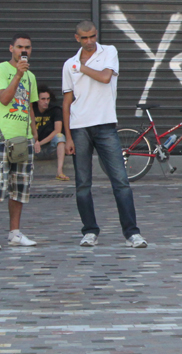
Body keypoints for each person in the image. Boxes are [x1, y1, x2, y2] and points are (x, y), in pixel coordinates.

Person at [62, 20, 146, 248]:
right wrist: (67, 136)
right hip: (79, 127)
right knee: (82, 184)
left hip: (106, 125)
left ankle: (132, 234)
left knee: (120, 181)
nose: (89, 41)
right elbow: (67, 102)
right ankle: (89, 231)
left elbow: (105, 77)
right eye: (84, 37)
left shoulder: (109, 51)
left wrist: (82, 67)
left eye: (92, 36)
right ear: (76, 38)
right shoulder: (68, 64)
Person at [0, 32, 39, 248]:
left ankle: (14, 232)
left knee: (19, 187)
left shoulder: (31, 77)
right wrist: (17, 75)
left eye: (27, 47)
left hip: (23, 140)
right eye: (20, 47)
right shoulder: (2, 70)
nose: (24, 51)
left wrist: (35, 137)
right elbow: (4, 99)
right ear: (11, 49)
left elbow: (30, 108)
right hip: (2, 135)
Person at [33, 85, 69, 181]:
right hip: (33, 146)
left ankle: (59, 171)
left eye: (48, 99)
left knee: (60, 137)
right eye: (43, 99)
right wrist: (34, 141)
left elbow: (57, 130)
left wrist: (40, 143)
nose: (46, 102)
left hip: (50, 147)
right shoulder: (31, 110)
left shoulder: (55, 110)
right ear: (37, 99)